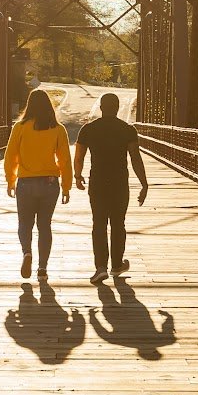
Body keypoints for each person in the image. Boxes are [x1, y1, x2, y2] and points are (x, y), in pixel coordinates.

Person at [74, 93, 149, 284]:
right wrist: (144, 183)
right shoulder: (127, 130)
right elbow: (135, 157)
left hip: (97, 183)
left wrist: (77, 175)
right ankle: (116, 265)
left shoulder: (88, 129)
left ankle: (100, 268)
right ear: (117, 108)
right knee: (118, 224)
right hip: (120, 183)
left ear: (101, 107)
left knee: (98, 224)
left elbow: (79, 156)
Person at [4, 88, 72, 279]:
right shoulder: (58, 129)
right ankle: (42, 269)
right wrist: (66, 186)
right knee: (45, 226)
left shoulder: (20, 127)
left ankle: (27, 252)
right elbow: (64, 160)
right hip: (50, 183)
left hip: (26, 183)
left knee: (25, 224)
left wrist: (10, 180)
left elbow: (10, 156)